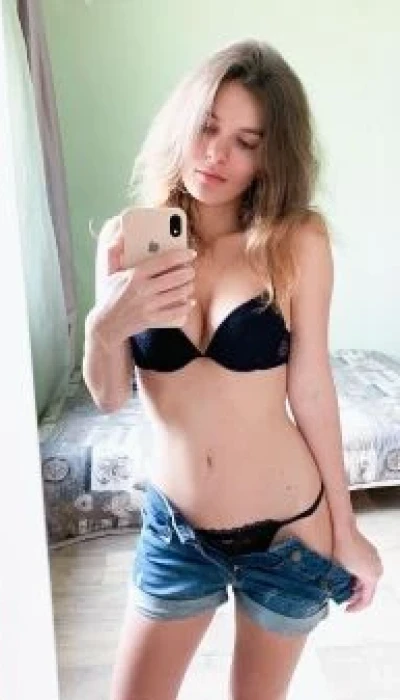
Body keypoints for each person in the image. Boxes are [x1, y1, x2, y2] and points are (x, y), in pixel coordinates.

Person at [83, 39, 383, 700]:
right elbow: (107, 397)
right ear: (182, 122)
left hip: (289, 535)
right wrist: (104, 324)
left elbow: (312, 390)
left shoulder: (297, 241)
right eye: (208, 127)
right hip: (176, 533)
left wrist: (347, 528)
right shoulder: (127, 243)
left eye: (246, 142)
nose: (217, 154)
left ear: (271, 157)